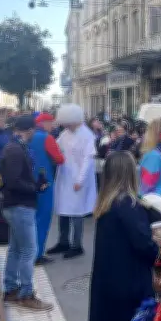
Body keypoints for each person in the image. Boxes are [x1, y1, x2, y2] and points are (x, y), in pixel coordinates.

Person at [81, 151, 161, 321]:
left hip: (109, 286)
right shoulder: (127, 205)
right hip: (131, 286)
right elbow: (144, 245)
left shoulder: (107, 204)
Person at [0, 115, 52, 311]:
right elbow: (13, 182)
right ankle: (26, 293)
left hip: (16, 205)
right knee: (29, 250)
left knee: (16, 249)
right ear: (29, 130)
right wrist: (34, 188)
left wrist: (35, 185)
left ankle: (12, 288)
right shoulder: (14, 150)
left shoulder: (13, 147)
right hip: (20, 206)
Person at [48, 104, 97, 259]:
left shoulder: (87, 135)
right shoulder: (65, 133)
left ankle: (77, 245)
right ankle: (63, 242)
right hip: (65, 177)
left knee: (76, 212)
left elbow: (88, 160)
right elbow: (56, 146)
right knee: (63, 210)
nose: (66, 125)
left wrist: (80, 180)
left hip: (77, 179)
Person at [30, 113, 65, 264]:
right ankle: (37, 254)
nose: (52, 126)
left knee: (31, 218)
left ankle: (29, 251)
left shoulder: (28, 136)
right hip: (44, 181)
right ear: (43, 123)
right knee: (43, 217)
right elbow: (60, 159)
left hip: (28, 181)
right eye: (51, 123)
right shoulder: (46, 138)